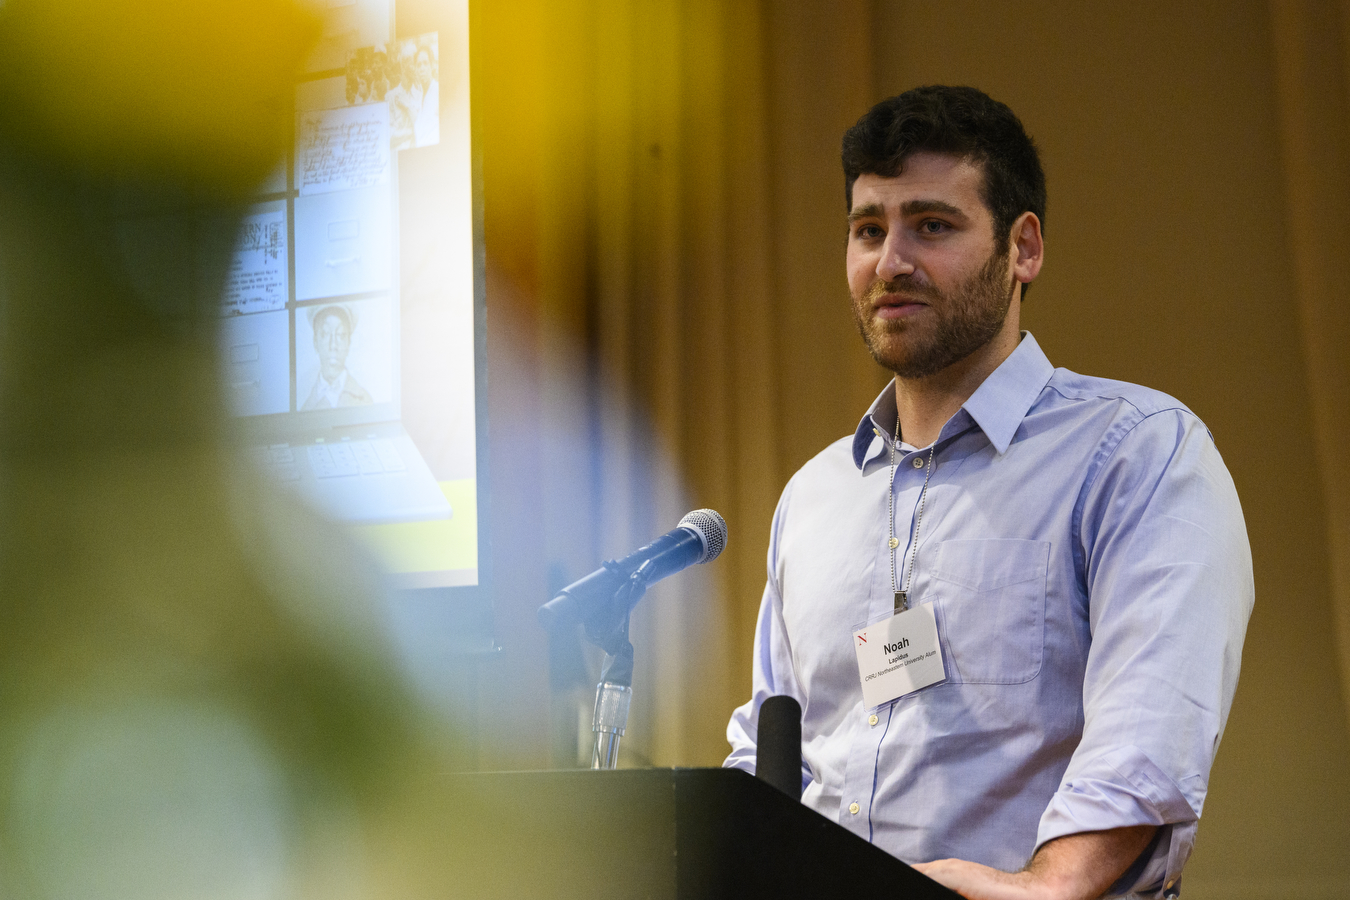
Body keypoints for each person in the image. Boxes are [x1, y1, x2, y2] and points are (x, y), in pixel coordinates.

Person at [723, 85, 1253, 900]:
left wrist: (1045, 887)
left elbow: (1149, 732)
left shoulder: (1138, 453)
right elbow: (772, 750)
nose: (890, 261)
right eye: (869, 229)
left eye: (931, 225)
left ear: (1023, 249)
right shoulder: (813, 495)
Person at [302, 304, 374, 410]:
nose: (333, 345)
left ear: (348, 343)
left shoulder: (365, 401)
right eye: (325, 333)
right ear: (315, 342)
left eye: (340, 335)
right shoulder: (305, 409)